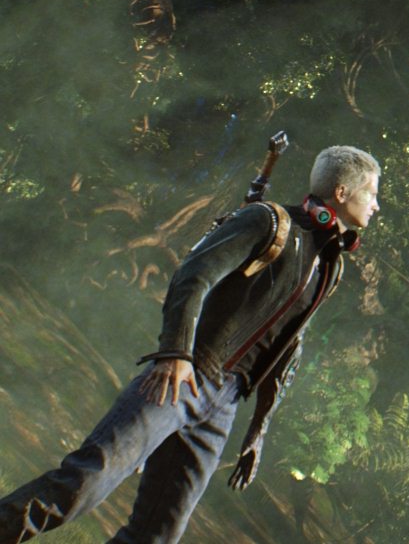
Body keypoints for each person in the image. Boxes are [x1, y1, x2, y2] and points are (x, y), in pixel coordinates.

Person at [0, 145, 381, 543]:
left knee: (158, 534)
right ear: (341, 193)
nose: (375, 205)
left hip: (222, 407)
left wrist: (259, 429)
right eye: (371, 194)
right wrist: (176, 353)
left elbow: (288, 346)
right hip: (183, 377)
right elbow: (193, 275)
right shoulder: (269, 221)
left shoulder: (330, 265)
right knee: (83, 484)